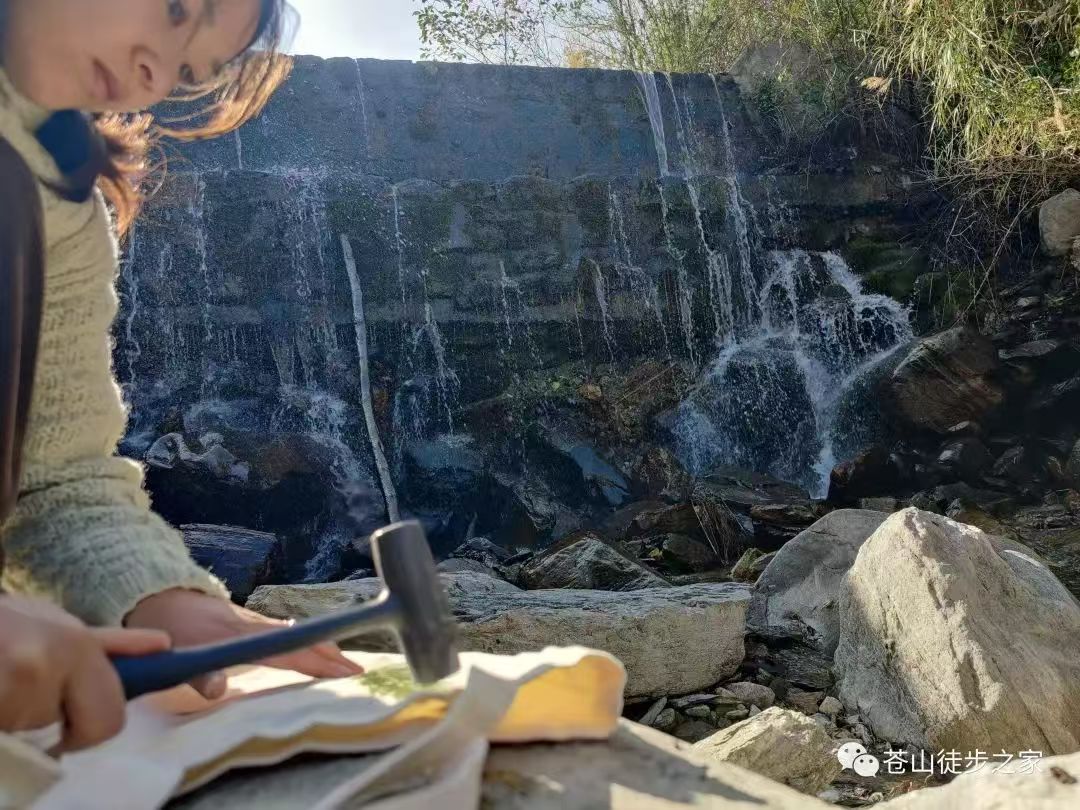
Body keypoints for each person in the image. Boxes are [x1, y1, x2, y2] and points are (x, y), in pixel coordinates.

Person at [0, 0, 361, 753]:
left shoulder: (63, 208)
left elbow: (58, 483)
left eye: (188, 70)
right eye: (175, 9)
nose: (155, 72)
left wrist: (165, 598)